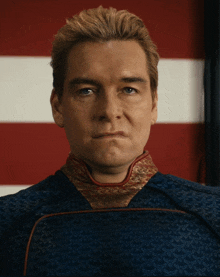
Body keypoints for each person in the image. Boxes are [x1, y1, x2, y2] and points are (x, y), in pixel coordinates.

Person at [0, 6, 220, 276]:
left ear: (153, 105)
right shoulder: (7, 222)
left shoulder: (213, 213)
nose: (109, 111)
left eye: (129, 89)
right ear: (58, 106)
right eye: (87, 91)